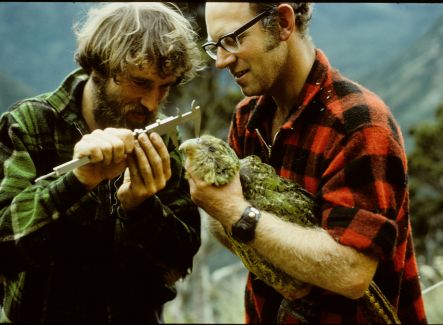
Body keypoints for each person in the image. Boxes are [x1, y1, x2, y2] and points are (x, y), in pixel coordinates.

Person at [185, 2, 428, 324]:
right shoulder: (248, 118)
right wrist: (289, 269)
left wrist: (236, 213)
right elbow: (224, 221)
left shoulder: (360, 125)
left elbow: (351, 273)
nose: (220, 61)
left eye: (232, 39)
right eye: (215, 46)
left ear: (283, 23)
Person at [0, 2, 202, 323]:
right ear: (98, 70)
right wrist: (78, 182)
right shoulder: (27, 125)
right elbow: (4, 243)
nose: (151, 103)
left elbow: (181, 257)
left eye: (164, 87)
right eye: (140, 82)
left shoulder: (160, 136)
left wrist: (142, 207)